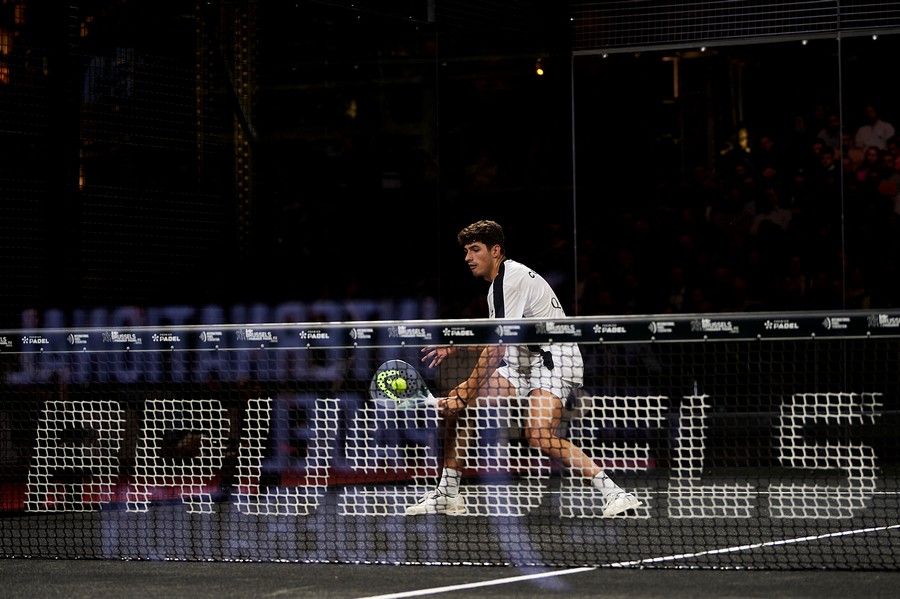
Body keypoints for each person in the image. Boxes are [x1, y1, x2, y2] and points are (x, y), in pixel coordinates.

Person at [405, 219, 642, 517]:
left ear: (495, 250)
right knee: (461, 407)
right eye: (465, 251)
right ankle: (448, 494)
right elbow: (501, 337)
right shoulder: (498, 286)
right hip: (523, 361)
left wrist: (465, 393)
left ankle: (616, 494)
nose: (468, 257)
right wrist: (457, 347)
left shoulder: (510, 279)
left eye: (475, 249)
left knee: (538, 434)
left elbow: (497, 348)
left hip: (554, 358)